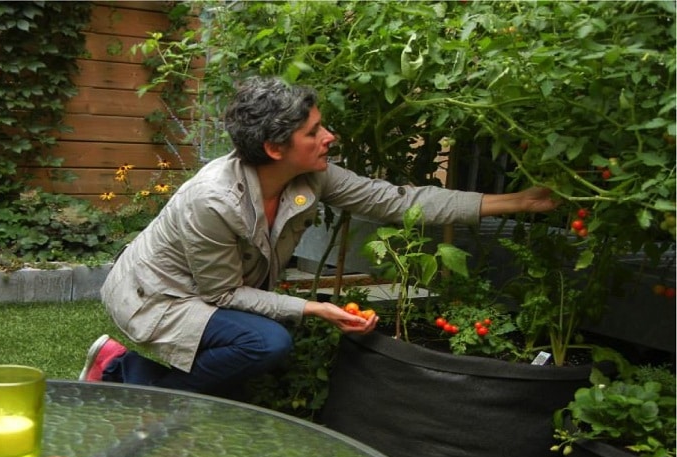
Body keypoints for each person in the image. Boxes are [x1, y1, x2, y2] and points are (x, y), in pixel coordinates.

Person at [79, 76, 558, 398]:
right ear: (274, 148)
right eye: (314, 131)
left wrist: (519, 202)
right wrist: (313, 307)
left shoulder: (311, 176)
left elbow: (396, 201)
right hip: (157, 295)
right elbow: (221, 292)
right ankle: (126, 373)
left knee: (261, 338)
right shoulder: (214, 200)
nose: (329, 137)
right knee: (265, 343)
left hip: (203, 291)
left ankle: (156, 379)